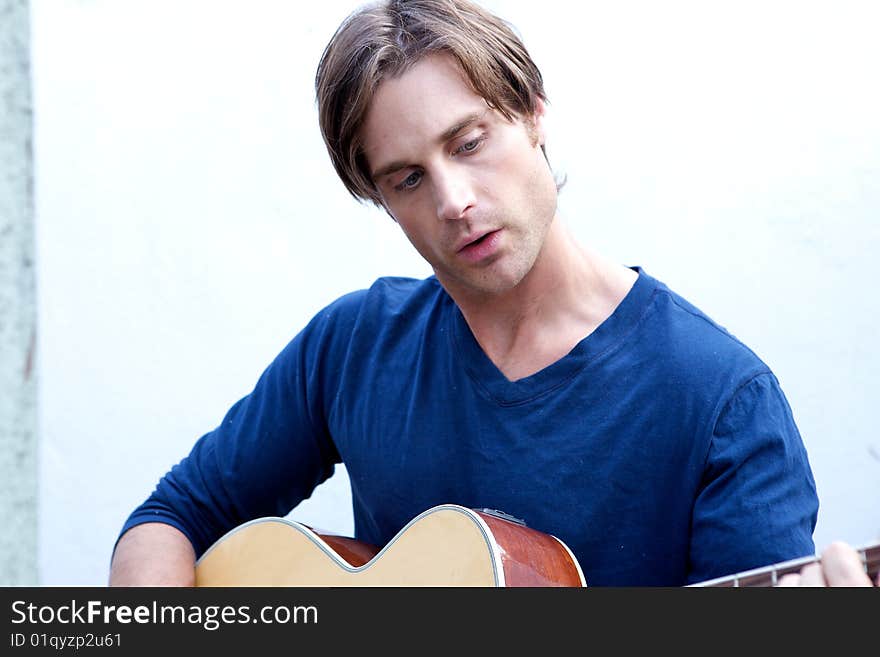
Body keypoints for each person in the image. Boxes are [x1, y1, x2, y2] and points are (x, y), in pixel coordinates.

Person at [109, 0, 822, 587]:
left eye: (469, 142)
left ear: (534, 111)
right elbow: (171, 517)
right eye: (407, 178)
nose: (453, 200)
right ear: (382, 199)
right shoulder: (355, 346)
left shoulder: (723, 400)